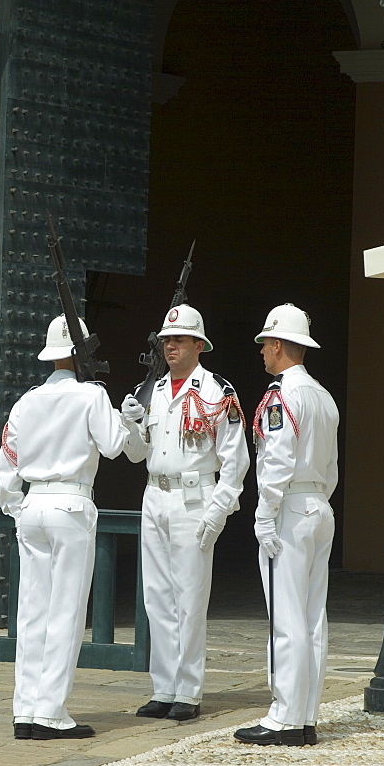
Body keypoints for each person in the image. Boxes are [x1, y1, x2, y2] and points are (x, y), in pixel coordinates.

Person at [0, 315, 128, 741]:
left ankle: (25, 710)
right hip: (71, 503)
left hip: (32, 504)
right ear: (80, 353)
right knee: (66, 611)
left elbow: (8, 463)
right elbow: (112, 446)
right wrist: (123, 415)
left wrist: (17, 506)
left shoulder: (26, 401)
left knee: (32, 611)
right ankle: (50, 712)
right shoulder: (91, 395)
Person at [121, 304, 250, 721]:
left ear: (199, 344)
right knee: (157, 597)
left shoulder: (218, 392)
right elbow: (138, 454)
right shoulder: (154, 391)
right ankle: (164, 687)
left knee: (189, 598)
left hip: (194, 499)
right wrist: (128, 425)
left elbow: (236, 462)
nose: (169, 346)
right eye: (165, 340)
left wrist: (220, 510)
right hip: (154, 496)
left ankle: (189, 692)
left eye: (177, 340)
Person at [234, 304, 339, 747]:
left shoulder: (282, 396)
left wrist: (263, 514)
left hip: (290, 510)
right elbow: (330, 465)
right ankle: (305, 714)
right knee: (313, 616)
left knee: (286, 613)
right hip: (319, 503)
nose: (261, 353)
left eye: (264, 345)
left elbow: (275, 461)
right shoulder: (323, 396)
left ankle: (284, 716)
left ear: (277, 345)